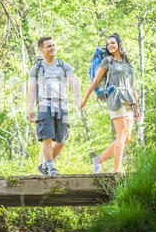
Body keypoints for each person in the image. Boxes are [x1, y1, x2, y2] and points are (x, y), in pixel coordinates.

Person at [78, 33, 140, 174]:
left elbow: (132, 86)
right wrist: (84, 100)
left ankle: (98, 160)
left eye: (113, 43)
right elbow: (95, 82)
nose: (110, 45)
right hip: (116, 97)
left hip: (129, 100)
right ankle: (116, 171)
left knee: (127, 137)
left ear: (119, 44)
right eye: (108, 44)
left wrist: (137, 106)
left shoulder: (126, 62)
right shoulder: (107, 61)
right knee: (121, 136)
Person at [27, 37, 80, 175]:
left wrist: (77, 99)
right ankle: (51, 167)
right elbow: (31, 89)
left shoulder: (64, 66)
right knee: (47, 136)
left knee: (62, 139)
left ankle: (44, 165)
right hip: (44, 104)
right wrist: (30, 109)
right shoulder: (36, 69)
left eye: (53, 45)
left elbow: (72, 82)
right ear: (42, 49)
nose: (52, 48)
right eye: (49, 46)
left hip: (61, 104)